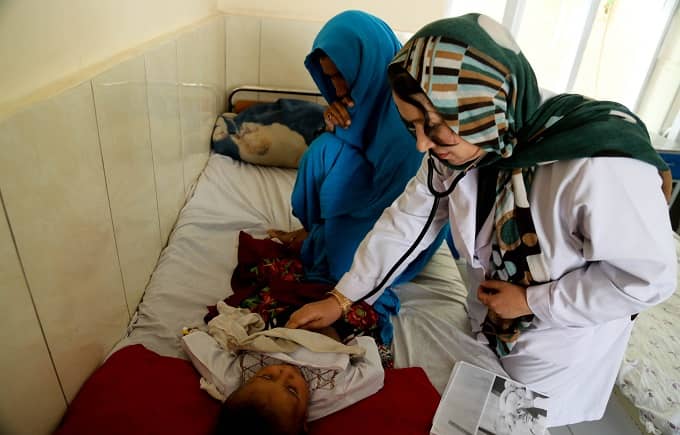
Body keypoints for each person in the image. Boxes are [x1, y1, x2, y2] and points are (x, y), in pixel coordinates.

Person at [285, 13, 677, 426]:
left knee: (525, 418)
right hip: (489, 319)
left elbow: (648, 279)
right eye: (412, 126)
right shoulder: (469, 141)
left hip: (557, 341)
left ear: (480, 107)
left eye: (433, 126)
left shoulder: (597, 166)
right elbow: (408, 221)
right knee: (474, 409)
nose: (421, 144)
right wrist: (342, 297)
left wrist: (531, 301)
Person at [267, 10, 450, 345]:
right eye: (330, 78)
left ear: (368, 64)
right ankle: (317, 230)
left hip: (399, 215)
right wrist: (335, 125)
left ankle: (325, 237)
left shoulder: (410, 117)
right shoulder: (357, 96)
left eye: (343, 75)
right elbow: (353, 149)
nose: (338, 88)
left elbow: (404, 211)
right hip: (371, 189)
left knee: (344, 269)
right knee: (323, 149)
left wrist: (340, 238)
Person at [182, 302, 383, 434]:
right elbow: (373, 375)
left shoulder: (235, 381)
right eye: (292, 390)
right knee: (365, 314)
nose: (285, 372)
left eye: (266, 377)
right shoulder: (330, 394)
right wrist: (357, 343)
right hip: (335, 328)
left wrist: (191, 334)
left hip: (287, 322)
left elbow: (205, 356)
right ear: (304, 420)